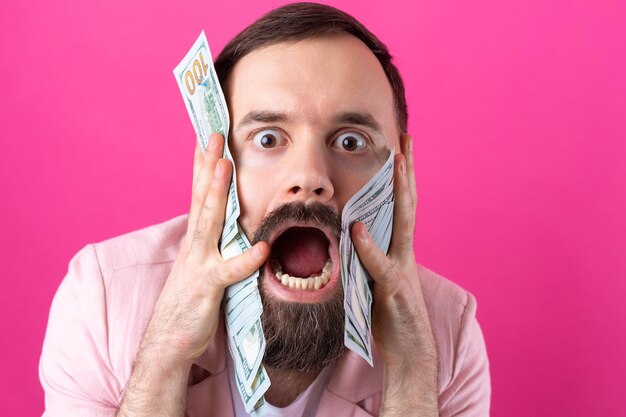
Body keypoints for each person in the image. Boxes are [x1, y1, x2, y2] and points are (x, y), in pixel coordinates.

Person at [39, 3, 490, 416]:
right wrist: (167, 348)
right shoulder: (102, 300)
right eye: (268, 138)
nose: (311, 176)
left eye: (351, 141)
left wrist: (413, 366)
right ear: (212, 164)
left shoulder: (446, 334)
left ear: (400, 173)